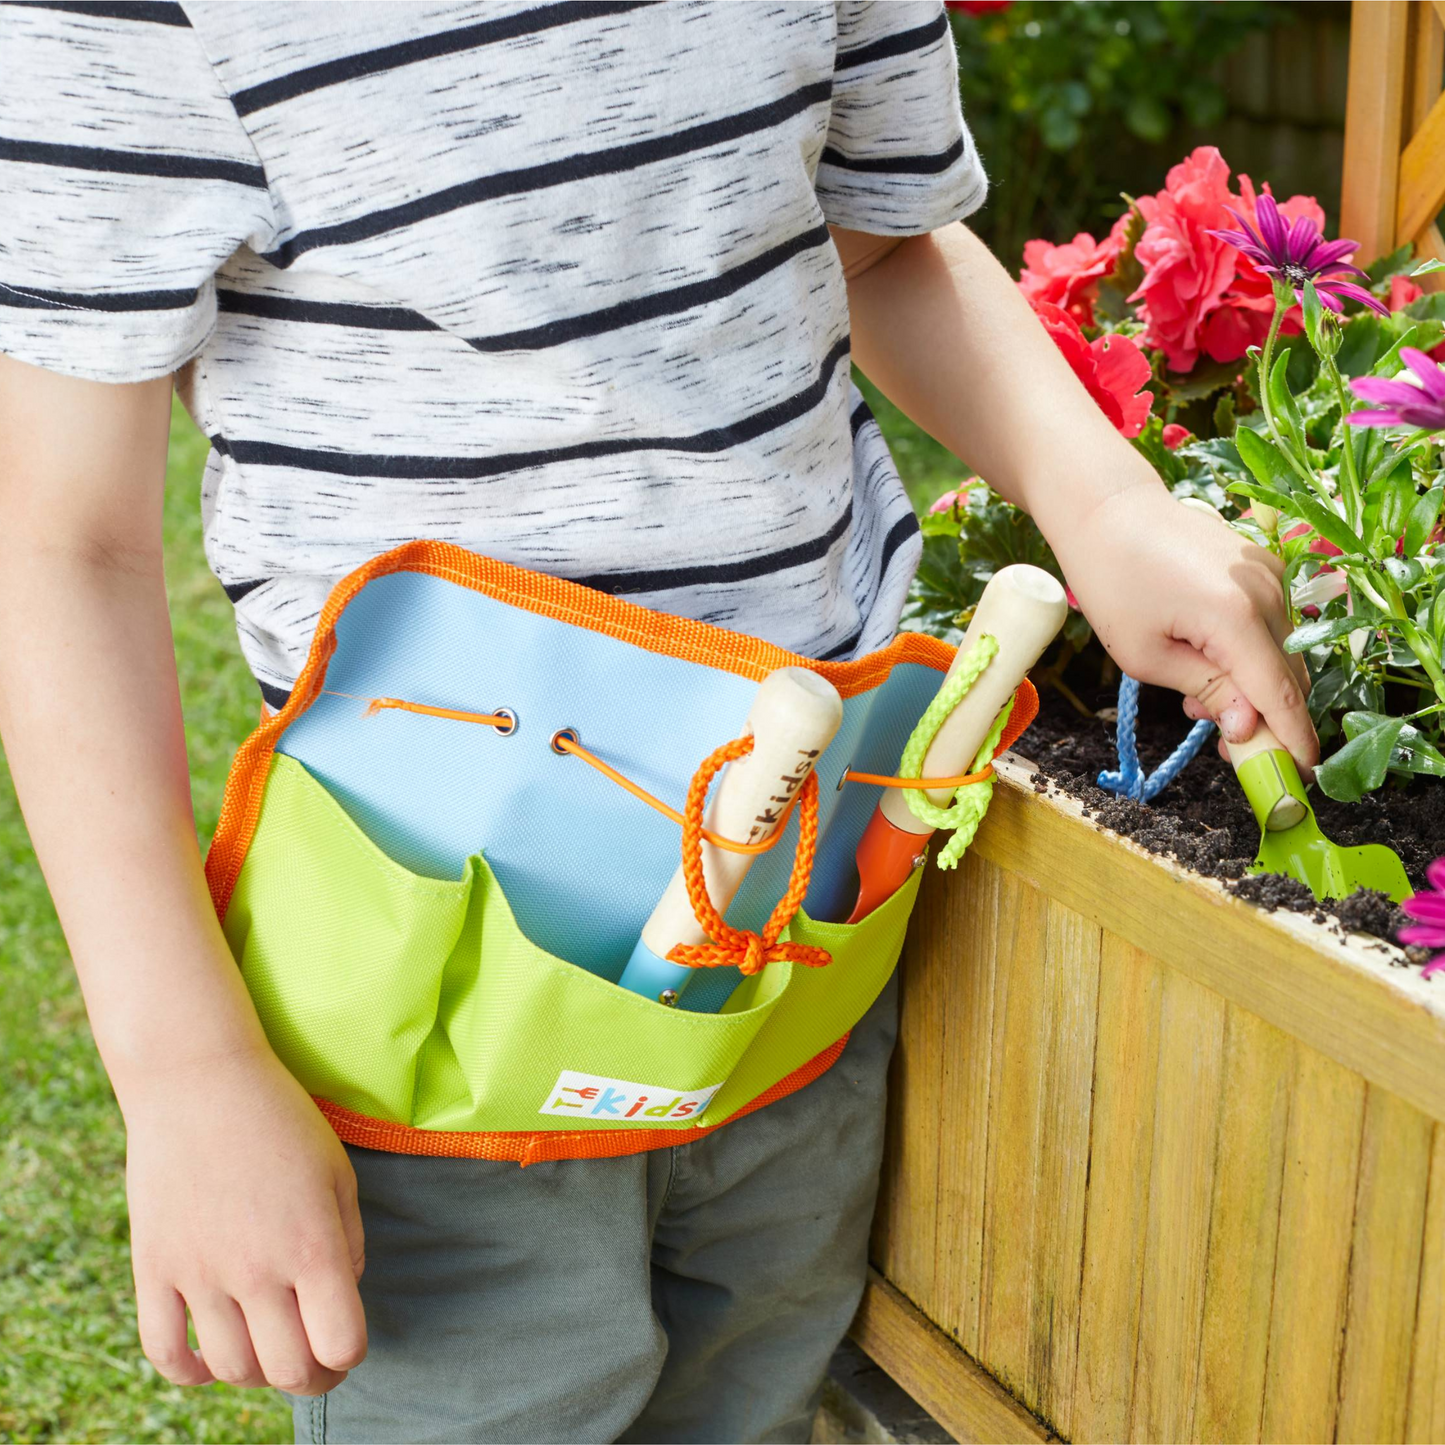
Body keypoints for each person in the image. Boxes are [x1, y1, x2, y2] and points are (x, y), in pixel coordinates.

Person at [0, 4, 1317, 1442]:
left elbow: (878, 242)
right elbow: (67, 546)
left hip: (800, 938)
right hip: (445, 1022)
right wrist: (185, 1073)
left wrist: (1107, 505)